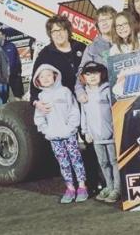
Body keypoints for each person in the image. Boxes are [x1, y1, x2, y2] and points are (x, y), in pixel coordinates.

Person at [30, 15, 101, 194]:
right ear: (50, 34)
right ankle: (75, 185)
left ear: (68, 30)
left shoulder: (80, 47)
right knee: (70, 150)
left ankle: (97, 182)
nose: (59, 34)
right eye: (54, 31)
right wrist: (36, 102)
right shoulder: (45, 54)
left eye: (62, 30)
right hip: (63, 108)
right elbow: (34, 84)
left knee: (92, 141)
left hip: (84, 102)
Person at [33, 64, 88, 204]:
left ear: (55, 76)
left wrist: (71, 128)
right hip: (54, 137)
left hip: (69, 135)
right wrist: (46, 131)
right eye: (42, 76)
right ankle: (70, 188)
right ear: (37, 80)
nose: (45, 78)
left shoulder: (65, 92)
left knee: (76, 160)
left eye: (48, 75)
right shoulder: (41, 97)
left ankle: (82, 186)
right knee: (63, 163)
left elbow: (74, 110)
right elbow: (39, 118)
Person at [79, 61, 120, 203]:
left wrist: (116, 129)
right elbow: (83, 114)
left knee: (114, 161)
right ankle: (109, 186)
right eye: (88, 74)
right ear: (83, 77)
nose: (92, 77)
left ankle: (117, 188)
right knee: (103, 163)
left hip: (111, 135)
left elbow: (115, 110)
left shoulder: (108, 90)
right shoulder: (84, 95)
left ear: (101, 74)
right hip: (95, 137)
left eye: (95, 73)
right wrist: (85, 132)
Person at [75, 5, 117, 104]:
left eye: (108, 18)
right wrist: (80, 92)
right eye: (101, 20)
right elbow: (81, 73)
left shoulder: (125, 42)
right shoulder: (91, 48)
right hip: (101, 98)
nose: (104, 23)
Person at [0, 30, 24, 100]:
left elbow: (17, 60)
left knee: (18, 97)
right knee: (4, 99)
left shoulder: (11, 46)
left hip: (14, 76)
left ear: (3, 36)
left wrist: (18, 72)